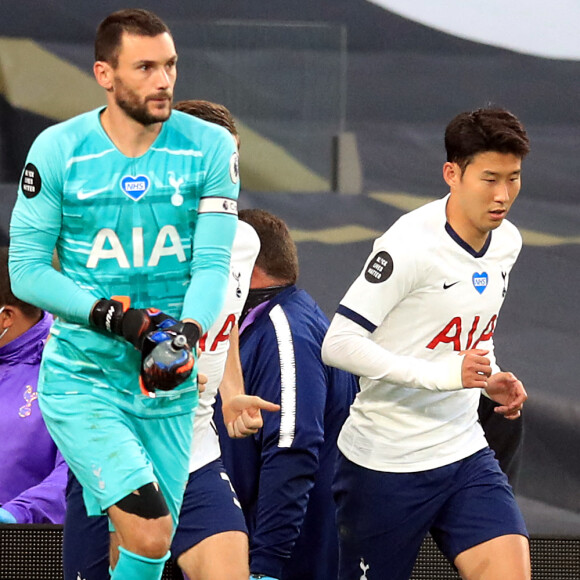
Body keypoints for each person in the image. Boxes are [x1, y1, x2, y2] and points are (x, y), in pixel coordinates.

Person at [8, 10, 240, 580]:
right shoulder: (58, 149)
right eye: (145, 68)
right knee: (152, 527)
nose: (164, 81)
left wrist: (183, 337)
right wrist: (119, 319)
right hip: (84, 380)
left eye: (170, 66)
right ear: (104, 75)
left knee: (142, 551)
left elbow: (211, 266)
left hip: (167, 384)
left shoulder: (210, 148)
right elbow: (27, 272)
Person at [62, 100, 279, 580]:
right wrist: (158, 377)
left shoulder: (244, 241)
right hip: (121, 448)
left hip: (196, 450)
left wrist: (229, 390)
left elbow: (225, 327)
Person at [321, 107, 531, 580]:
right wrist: (443, 377)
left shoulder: (507, 242)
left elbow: (471, 335)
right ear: (451, 174)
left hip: (464, 452)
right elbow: (338, 344)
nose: (502, 196)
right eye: (489, 179)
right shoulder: (408, 246)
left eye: (513, 179)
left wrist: (486, 380)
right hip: (383, 466)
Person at [214, 208, 359, 580]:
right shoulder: (267, 324)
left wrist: (264, 568)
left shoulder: (285, 331)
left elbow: (292, 452)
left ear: (245, 267)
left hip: (281, 564)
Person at [0, 246, 67, 525]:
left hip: (28, 544)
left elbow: (79, 472)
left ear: (6, 317)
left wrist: (18, 513)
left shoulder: (67, 368)